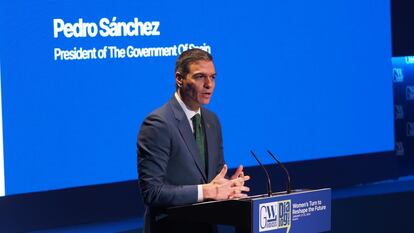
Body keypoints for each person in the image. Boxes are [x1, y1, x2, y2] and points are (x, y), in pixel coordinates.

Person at [137, 48, 250, 233]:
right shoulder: (158, 123)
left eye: (213, 77)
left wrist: (228, 185)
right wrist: (208, 191)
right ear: (179, 79)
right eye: (200, 77)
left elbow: (212, 179)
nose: (209, 84)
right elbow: (152, 192)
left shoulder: (212, 121)